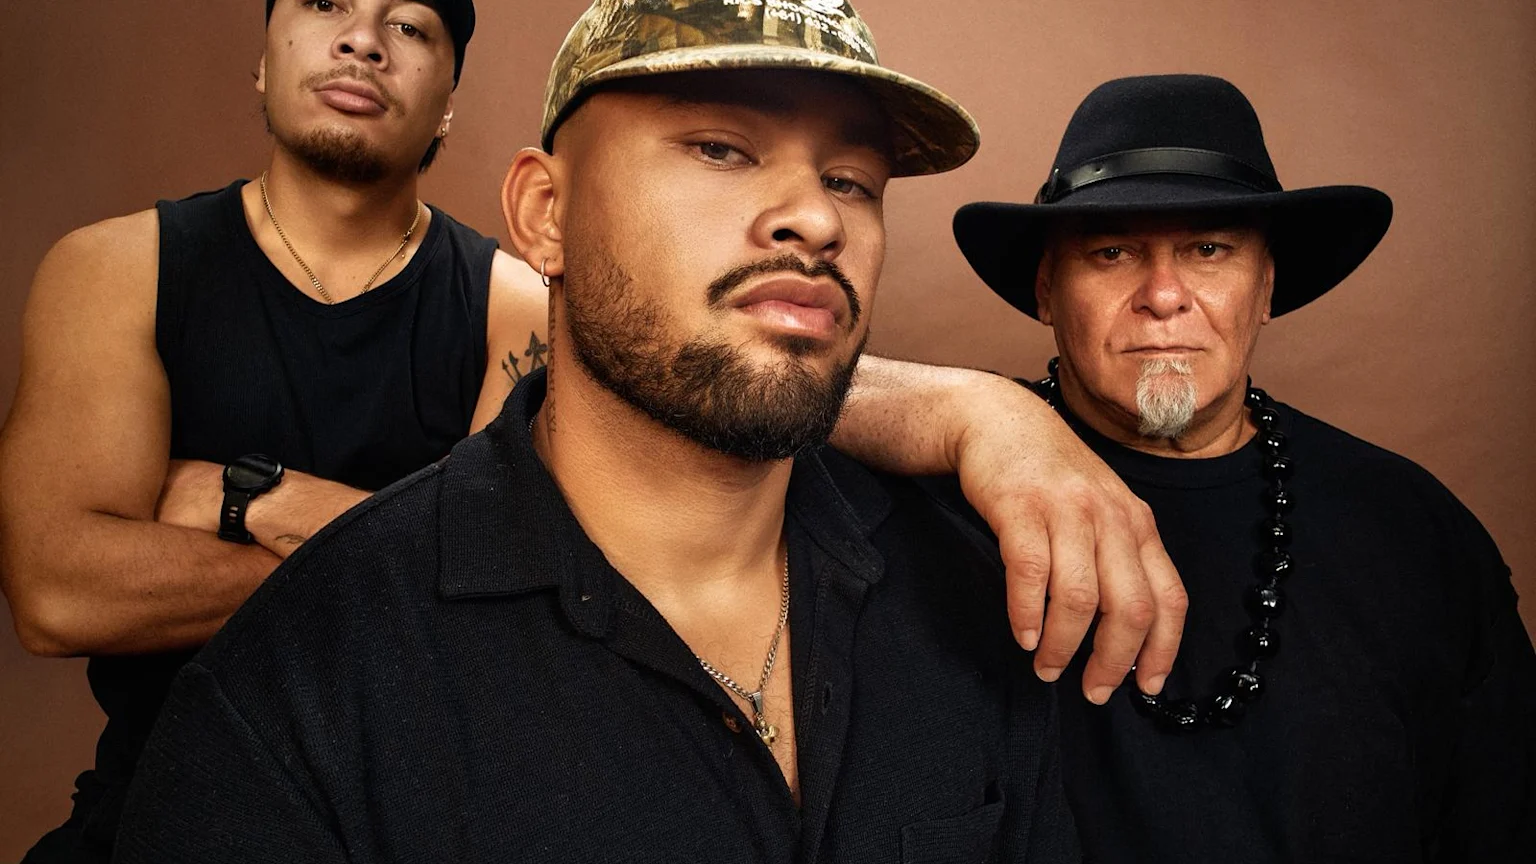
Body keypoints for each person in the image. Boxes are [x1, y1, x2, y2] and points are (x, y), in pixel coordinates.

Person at [110, 1, 1092, 859]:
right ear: (546, 213)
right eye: (721, 148)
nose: (816, 218)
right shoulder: (307, 675)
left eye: (852, 181)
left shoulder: (979, 596)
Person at [951, 73, 1536, 862]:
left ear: (1266, 288)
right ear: (1048, 291)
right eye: (1112, 251)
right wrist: (971, 411)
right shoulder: (944, 503)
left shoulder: (1416, 529)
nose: (1164, 296)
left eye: (1209, 249)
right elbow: (781, 412)